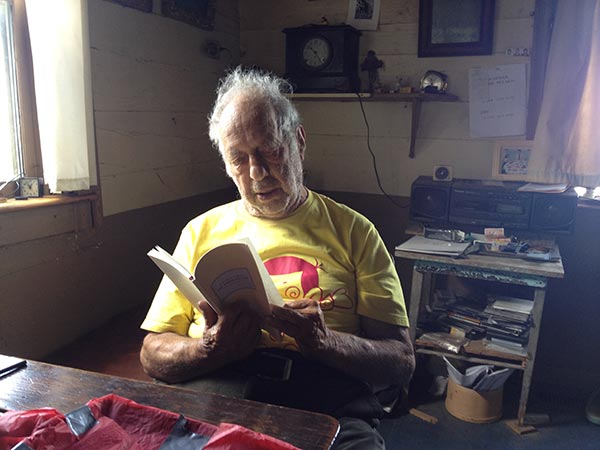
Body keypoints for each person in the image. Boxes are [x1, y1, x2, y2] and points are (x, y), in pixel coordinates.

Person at [139, 66, 415, 450]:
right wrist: (209, 348)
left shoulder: (355, 231)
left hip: (324, 400)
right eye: (238, 158)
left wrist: (324, 342)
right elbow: (152, 355)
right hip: (218, 390)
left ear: (298, 141)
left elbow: (401, 361)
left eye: (269, 149)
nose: (257, 173)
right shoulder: (199, 232)